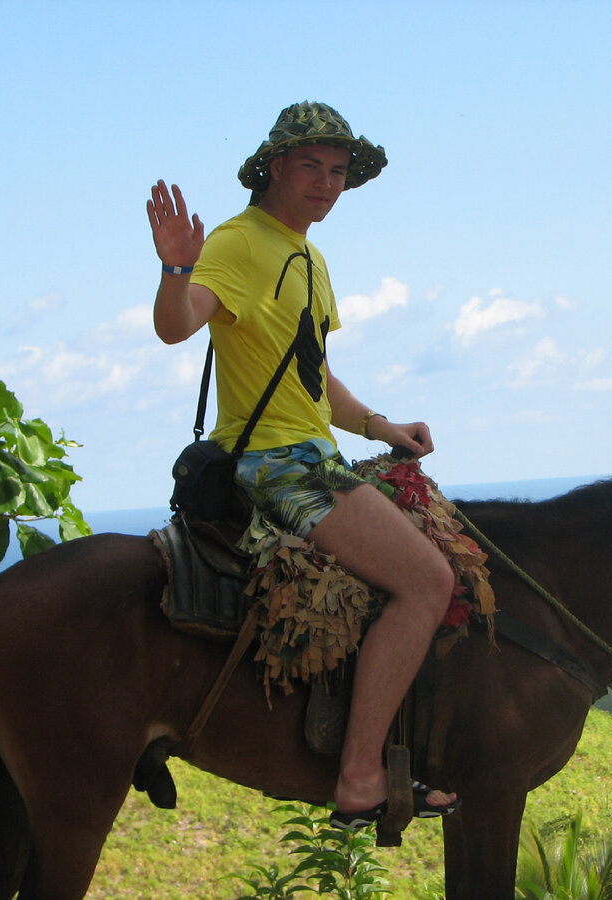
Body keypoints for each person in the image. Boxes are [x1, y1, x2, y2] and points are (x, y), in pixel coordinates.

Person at [146, 101, 459, 827]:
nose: (326, 184)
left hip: (318, 452)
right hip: (274, 466)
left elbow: (313, 377)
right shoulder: (240, 242)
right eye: (311, 167)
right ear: (275, 167)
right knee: (427, 582)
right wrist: (174, 266)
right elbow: (177, 325)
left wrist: (382, 425)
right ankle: (357, 776)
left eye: (339, 173)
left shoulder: (311, 256)